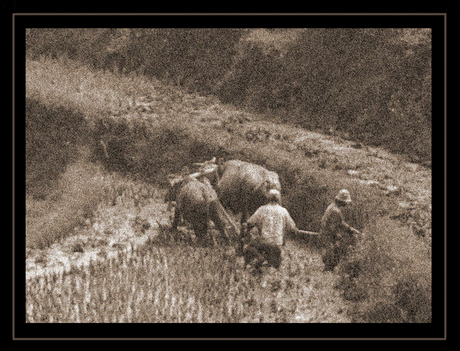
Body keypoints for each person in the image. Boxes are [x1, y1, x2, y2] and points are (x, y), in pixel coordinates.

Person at [241, 189, 297, 273]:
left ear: (268, 198)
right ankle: (269, 261)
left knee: (248, 247)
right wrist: (295, 230)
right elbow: (292, 227)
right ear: (278, 199)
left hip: (264, 242)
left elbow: (250, 222)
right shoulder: (284, 211)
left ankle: (259, 257)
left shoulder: (262, 209)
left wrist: (246, 226)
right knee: (275, 265)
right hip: (277, 244)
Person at [320, 189, 363, 272]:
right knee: (333, 254)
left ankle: (328, 269)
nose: (346, 204)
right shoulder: (336, 211)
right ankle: (327, 271)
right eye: (346, 202)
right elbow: (336, 226)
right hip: (328, 236)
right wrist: (339, 235)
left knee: (332, 253)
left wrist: (351, 230)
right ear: (342, 201)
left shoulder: (332, 206)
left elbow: (341, 223)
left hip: (325, 234)